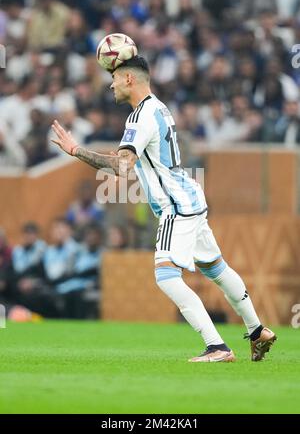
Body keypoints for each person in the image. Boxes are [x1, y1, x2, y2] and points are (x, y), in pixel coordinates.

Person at [51, 55, 277, 362]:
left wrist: (76, 151)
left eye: (115, 77)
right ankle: (257, 330)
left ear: (129, 79)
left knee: (166, 277)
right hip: (191, 199)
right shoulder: (159, 107)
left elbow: (122, 167)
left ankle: (217, 347)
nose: (111, 83)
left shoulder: (139, 117)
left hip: (176, 206)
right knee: (216, 269)